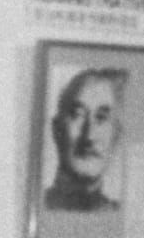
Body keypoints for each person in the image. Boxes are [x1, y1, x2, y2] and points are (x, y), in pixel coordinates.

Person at [45, 67, 125, 212]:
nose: (89, 135)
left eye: (102, 117)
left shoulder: (117, 213)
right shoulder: (42, 208)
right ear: (57, 130)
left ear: (116, 136)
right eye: (78, 115)